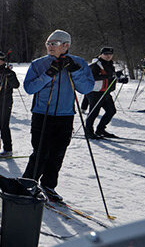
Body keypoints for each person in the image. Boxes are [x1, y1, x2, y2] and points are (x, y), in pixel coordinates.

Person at [22, 29, 94, 202]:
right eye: (48, 43)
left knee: (58, 153)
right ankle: (27, 184)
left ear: (66, 45)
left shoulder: (78, 63)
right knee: (40, 152)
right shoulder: (39, 64)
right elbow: (29, 88)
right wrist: (48, 74)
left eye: (54, 43)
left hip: (65, 115)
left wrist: (75, 71)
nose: (49, 47)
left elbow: (86, 88)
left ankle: (48, 185)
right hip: (42, 114)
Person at [85, 47, 126, 138]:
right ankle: (88, 131)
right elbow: (92, 77)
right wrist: (108, 76)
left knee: (111, 111)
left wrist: (120, 79)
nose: (108, 56)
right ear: (101, 54)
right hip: (95, 92)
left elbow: (111, 77)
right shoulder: (95, 64)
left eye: (110, 54)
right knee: (94, 112)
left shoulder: (110, 64)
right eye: (106, 54)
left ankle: (100, 129)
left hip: (106, 92)